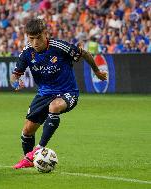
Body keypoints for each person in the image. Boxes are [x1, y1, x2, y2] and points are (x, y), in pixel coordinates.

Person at [10, 18, 107, 169]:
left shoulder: (60, 47)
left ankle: (38, 149)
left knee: (55, 107)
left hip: (67, 92)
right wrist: (16, 83)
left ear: (45, 34)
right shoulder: (27, 53)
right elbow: (14, 75)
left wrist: (97, 71)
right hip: (44, 95)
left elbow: (85, 54)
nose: (35, 42)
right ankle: (29, 160)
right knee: (27, 130)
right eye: (31, 39)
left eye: (38, 38)